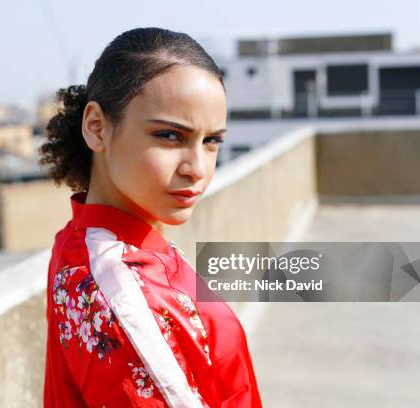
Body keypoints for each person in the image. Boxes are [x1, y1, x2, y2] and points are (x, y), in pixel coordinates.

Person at [41, 27, 262, 407]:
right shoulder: (123, 294)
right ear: (97, 128)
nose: (198, 168)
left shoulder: (82, 240)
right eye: (170, 136)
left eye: (211, 141)